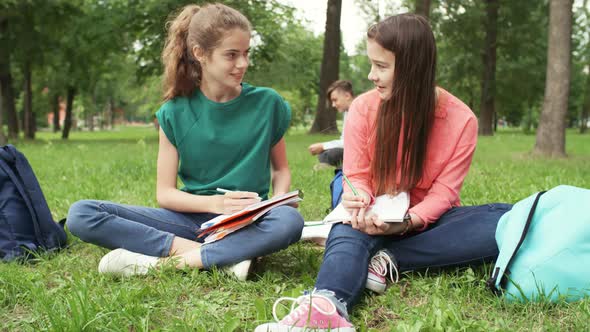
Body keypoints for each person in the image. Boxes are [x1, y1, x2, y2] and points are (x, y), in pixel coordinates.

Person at [255, 13, 512, 331]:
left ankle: (390, 258)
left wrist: (405, 222)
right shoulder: (364, 108)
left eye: (381, 66)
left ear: (413, 68)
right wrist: (360, 198)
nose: (371, 75)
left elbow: (444, 193)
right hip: (370, 206)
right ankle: (325, 306)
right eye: (371, 64)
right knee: (352, 225)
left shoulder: (462, 121)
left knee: (506, 220)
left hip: (421, 219)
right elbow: (356, 174)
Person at [66, 3, 304, 281]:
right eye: (231, 55)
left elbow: (281, 170)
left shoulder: (268, 104)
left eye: (246, 53)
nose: (243, 64)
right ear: (200, 53)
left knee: (289, 222)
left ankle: (170, 263)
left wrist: (277, 200)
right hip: (191, 222)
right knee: (82, 214)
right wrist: (216, 205)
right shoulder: (174, 113)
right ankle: (217, 255)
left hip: (250, 221)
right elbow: (165, 194)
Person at [308, 80, 354, 171]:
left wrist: (323, 145)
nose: (333, 105)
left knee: (332, 154)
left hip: (363, 153)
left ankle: (336, 167)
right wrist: (323, 147)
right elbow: (344, 139)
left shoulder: (359, 111)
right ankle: (335, 166)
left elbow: (350, 143)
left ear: (347, 96)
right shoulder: (347, 113)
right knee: (324, 154)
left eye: (335, 100)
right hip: (352, 150)